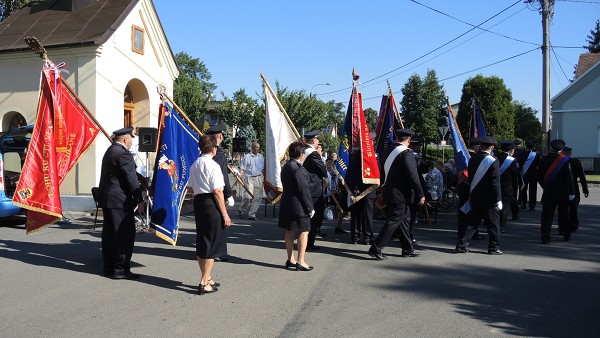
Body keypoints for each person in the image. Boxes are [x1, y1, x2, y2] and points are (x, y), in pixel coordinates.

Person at [368, 128, 424, 260]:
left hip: (390, 191)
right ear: (409, 139)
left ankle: (407, 248)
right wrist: (420, 193)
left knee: (404, 221)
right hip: (401, 195)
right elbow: (413, 176)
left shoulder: (388, 151)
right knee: (394, 220)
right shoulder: (406, 153)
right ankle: (376, 248)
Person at [187, 134, 232, 295]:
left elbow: (190, 189)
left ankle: (208, 277)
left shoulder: (195, 164)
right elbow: (218, 191)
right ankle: (203, 281)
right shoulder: (213, 165)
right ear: (213, 149)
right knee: (212, 242)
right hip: (211, 203)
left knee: (202, 240)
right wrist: (225, 214)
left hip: (199, 202)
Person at [98, 127, 145, 279]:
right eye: (131, 138)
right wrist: (139, 199)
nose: (132, 141)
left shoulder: (110, 150)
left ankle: (108, 267)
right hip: (120, 200)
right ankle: (120, 269)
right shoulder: (124, 154)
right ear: (125, 140)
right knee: (123, 235)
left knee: (110, 234)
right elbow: (130, 179)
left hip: (108, 198)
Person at [455, 136, 503, 255]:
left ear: (481, 146)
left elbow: (471, 177)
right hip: (489, 198)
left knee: (472, 223)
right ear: (492, 147)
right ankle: (493, 247)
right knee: (493, 224)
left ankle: (462, 244)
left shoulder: (473, 159)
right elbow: (495, 182)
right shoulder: (493, 161)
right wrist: (498, 199)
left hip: (475, 196)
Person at [279, 141, 315, 271]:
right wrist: (310, 208)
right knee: (304, 231)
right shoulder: (299, 169)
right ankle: (301, 260)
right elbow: (304, 190)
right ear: (301, 153)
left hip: (287, 203)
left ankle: (291, 259)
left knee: (289, 231)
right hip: (298, 206)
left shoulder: (286, 166)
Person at [205, 124, 234, 262]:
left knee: (207, 226)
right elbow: (223, 176)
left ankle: (206, 250)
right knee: (219, 223)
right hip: (217, 192)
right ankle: (217, 252)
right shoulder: (219, 153)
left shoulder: (202, 153)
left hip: (203, 194)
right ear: (220, 137)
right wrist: (229, 194)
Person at [538, 139, 575, 243]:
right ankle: (566, 235)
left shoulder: (544, 159)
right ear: (562, 149)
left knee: (546, 216)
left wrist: (546, 187)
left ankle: (545, 237)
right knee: (564, 215)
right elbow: (569, 178)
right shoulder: (565, 160)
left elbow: (539, 177)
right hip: (563, 193)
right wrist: (571, 193)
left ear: (551, 148)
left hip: (549, 192)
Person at [303, 130, 328, 250]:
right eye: (317, 139)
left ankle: (306, 242)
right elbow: (323, 171)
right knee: (314, 218)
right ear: (313, 141)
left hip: (306, 187)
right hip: (313, 189)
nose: (318, 141)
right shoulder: (312, 153)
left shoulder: (302, 150)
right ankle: (309, 244)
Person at [562, 147, 589, 233]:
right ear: (570, 153)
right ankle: (573, 225)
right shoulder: (576, 162)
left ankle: (563, 226)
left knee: (563, 209)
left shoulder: (559, 163)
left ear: (563, 153)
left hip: (562, 189)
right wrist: (585, 190)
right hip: (574, 189)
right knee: (573, 209)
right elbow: (582, 177)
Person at [497, 140, 521, 234]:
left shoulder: (495, 157)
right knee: (504, 207)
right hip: (507, 187)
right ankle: (501, 226)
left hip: (495, 186)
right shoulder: (512, 160)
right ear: (511, 150)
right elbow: (516, 174)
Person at [238, 141, 264, 220]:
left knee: (258, 197)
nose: (257, 149)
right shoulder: (247, 157)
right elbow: (242, 168)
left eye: (258, 147)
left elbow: (263, 169)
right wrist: (239, 176)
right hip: (249, 178)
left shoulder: (261, 157)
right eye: (256, 147)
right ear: (252, 148)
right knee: (248, 196)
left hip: (259, 178)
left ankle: (252, 214)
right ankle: (242, 210)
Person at [324, 159, 347, 234]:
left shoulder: (337, 173)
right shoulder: (325, 173)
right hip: (327, 192)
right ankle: (338, 226)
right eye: (327, 164)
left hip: (337, 191)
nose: (328, 166)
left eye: (330, 164)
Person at [518, 141, 541, 211]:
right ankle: (532, 206)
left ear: (526, 146)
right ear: (533, 147)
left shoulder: (521, 154)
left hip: (523, 174)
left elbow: (519, 164)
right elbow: (539, 165)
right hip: (533, 174)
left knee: (523, 189)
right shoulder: (536, 155)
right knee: (533, 190)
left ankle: (524, 204)